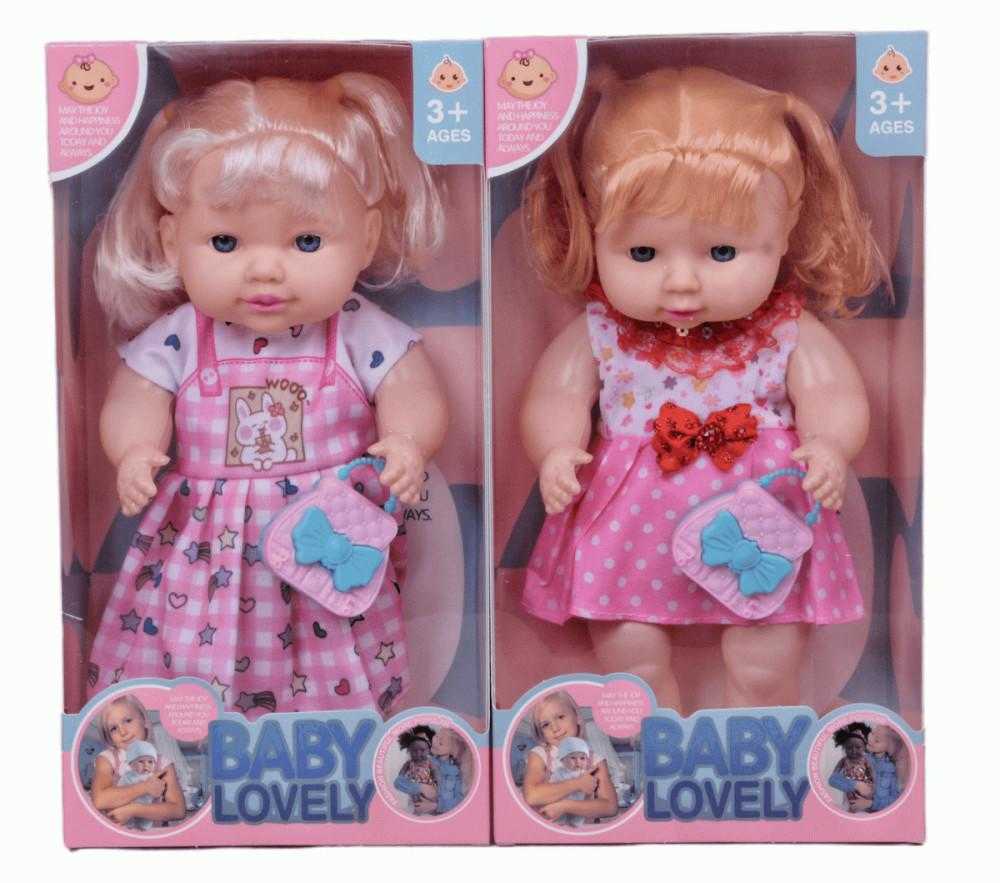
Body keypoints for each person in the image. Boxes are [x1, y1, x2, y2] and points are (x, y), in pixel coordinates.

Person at [519, 67, 883, 709]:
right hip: (632, 522)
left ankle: (761, 735)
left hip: (761, 513)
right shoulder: (603, 330)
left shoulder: (782, 328)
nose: (681, 282)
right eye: (643, 253)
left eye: (721, 253)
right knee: (629, 648)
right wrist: (554, 450)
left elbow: (834, 395)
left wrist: (830, 445)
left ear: (784, 233)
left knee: (766, 653)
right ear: (593, 232)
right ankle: (653, 738)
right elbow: (556, 396)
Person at [86, 75, 448, 717]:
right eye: (225, 242)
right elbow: (135, 397)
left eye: (306, 242)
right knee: (187, 638)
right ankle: (196, 732)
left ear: (366, 238)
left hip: (325, 529)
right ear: (172, 242)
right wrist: (135, 449)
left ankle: (332, 737)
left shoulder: (355, 330)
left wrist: (407, 441)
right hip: (206, 542)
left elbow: (410, 385)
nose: (265, 269)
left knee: (336, 639)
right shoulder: (182, 337)